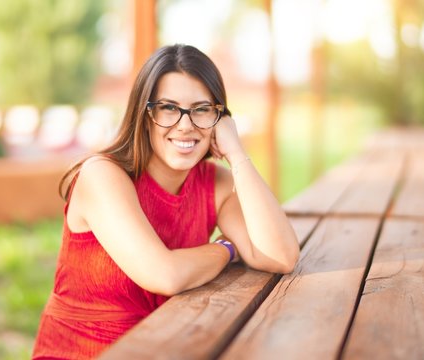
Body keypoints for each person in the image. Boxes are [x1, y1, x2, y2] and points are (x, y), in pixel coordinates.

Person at [32, 44, 299, 359]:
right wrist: (227, 248)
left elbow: (281, 256)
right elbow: (165, 275)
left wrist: (237, 154)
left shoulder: (214, 183)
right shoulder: (103, 176)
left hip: (166, 347)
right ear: (145, 115)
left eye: (201, 109)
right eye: (169, 108)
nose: (186, 125)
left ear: (219, 117)